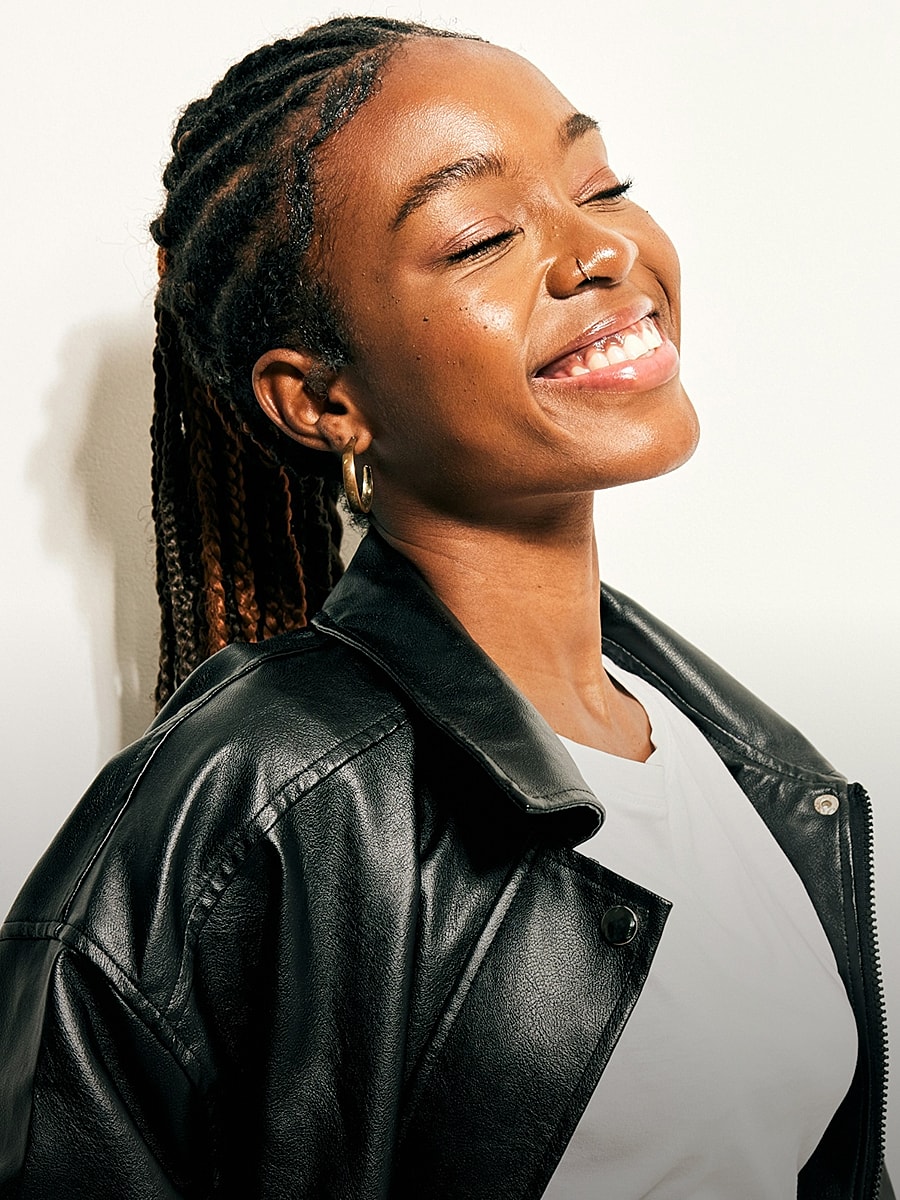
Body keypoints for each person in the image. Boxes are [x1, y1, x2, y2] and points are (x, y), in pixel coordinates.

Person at [0, 15, 890, 1199]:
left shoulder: (757, 769)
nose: (601, 250)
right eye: (480, 238)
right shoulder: (258, 797)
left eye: (602, 184)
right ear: (322, 402)